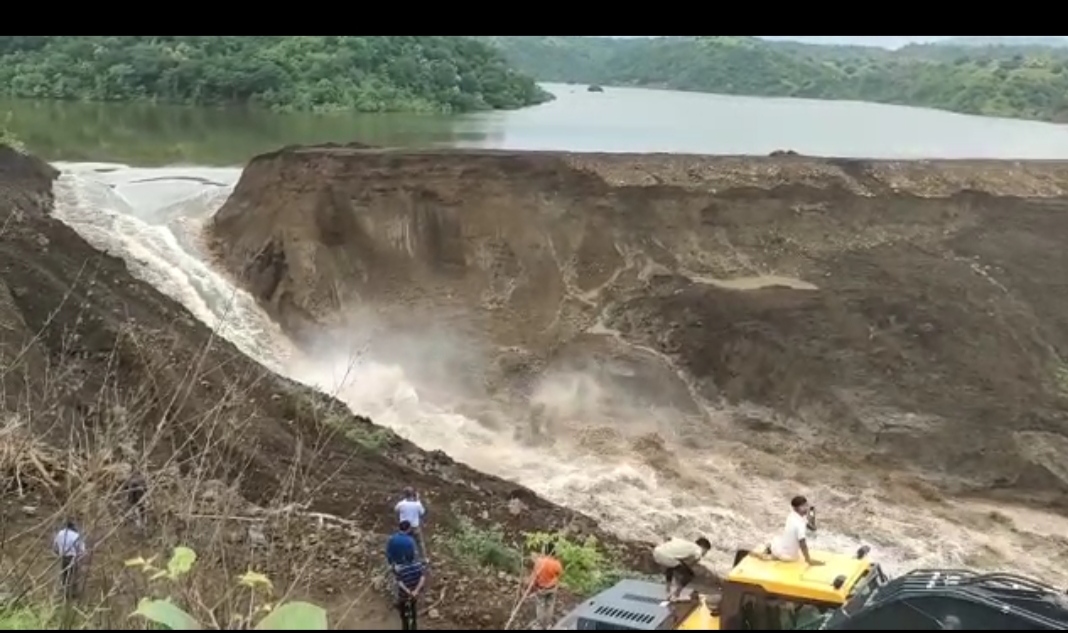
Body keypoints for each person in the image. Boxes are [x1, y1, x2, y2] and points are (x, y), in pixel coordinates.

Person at [768, 495, 823, 566]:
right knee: (775, 542)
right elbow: (802, 544)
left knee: (776, 540)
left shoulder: (793, 515)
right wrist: (809, 560)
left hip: (786, 551)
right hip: (790, 557)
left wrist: (812, 518)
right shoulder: (798, 525)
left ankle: (772, 552)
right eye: (803, 506)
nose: (806, 508)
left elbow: (812, 528)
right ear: (796, 508)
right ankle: (772, 557)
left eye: (806, 505)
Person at [652, 536, 711, 600]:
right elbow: (693, 560)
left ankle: (668, 589)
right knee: (689, 575)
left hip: (656, 551)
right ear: (703, 547)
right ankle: (676, 594)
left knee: (672, 564)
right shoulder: (698, 550)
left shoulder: (684, 543)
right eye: (706, 551)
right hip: (666, 557)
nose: (705, 554)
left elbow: (668, 538)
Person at [528, 541, 564, 629]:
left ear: (546, 551)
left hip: (541, 588)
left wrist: (532, 586)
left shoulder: (539, 562)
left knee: (540, 606)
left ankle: (540, 625)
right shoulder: (557, 563)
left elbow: (535, 575)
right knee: (550, 605)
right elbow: (560, 574)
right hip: (552, 588)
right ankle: (548, 624)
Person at [52, 520, 87, 599]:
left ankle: (65, 591)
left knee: (64, 574)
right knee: (74, 574)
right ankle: (73, 592)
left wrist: (58, 553)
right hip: (73, 557)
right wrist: (81, 557)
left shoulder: (60, 534)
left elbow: (55, 546)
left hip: (64, 556)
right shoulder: (76, 535)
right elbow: (82, 549)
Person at [392, 557, 426, 630]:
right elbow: (422, 578)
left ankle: (405, 626)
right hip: (414, 595)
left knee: (404, 617)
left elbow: (399, 582)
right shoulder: (418, 566)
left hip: (404, 596)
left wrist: (408, 591)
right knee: (413, 610)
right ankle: (414, 625)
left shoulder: (400, 569)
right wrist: (416, 591)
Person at [395, 487, 427, 562]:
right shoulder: (417, 504)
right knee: (419, 543)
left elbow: (396, 510)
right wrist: (418, 500)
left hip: (404, 527)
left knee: (403, 542)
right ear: (413, 495)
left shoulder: (401, 504)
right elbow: (422, 512)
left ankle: (402, 558)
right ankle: (423, 558)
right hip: (415, 526)